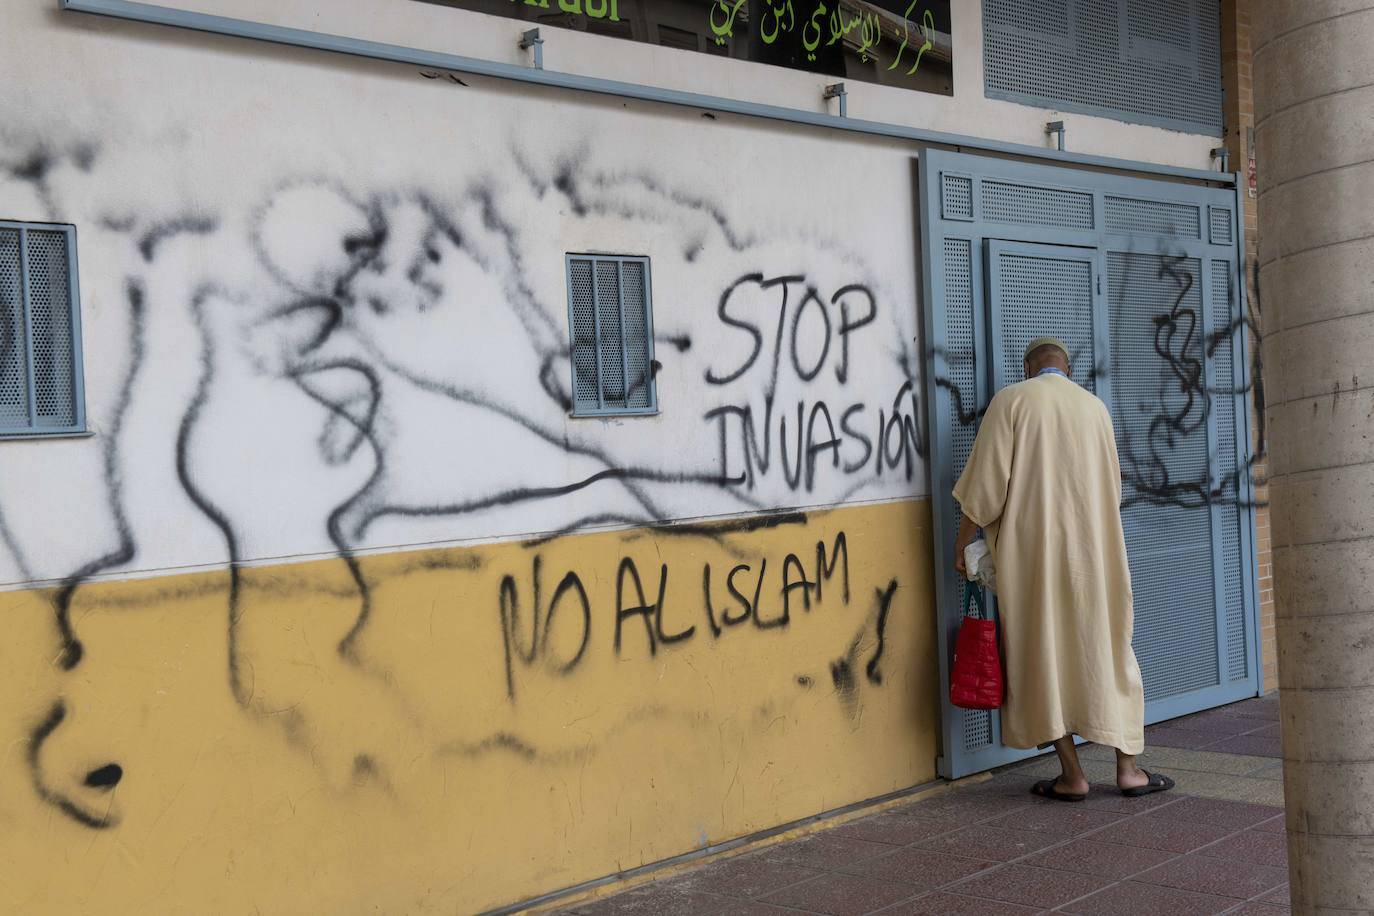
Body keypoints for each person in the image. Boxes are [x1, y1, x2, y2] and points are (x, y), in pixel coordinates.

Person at [951, 336, 1173, 801]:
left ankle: (1072, 776)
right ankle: (1128, 770)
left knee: (1041, 656)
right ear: (1066, 369)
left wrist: (961, 543)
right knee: (1108, 649)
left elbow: (985, 486)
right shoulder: (1094, 408)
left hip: (1034, 559)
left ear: (1029, 367)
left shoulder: (1012, 401)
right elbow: (1112, 487)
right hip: (1097, 555)